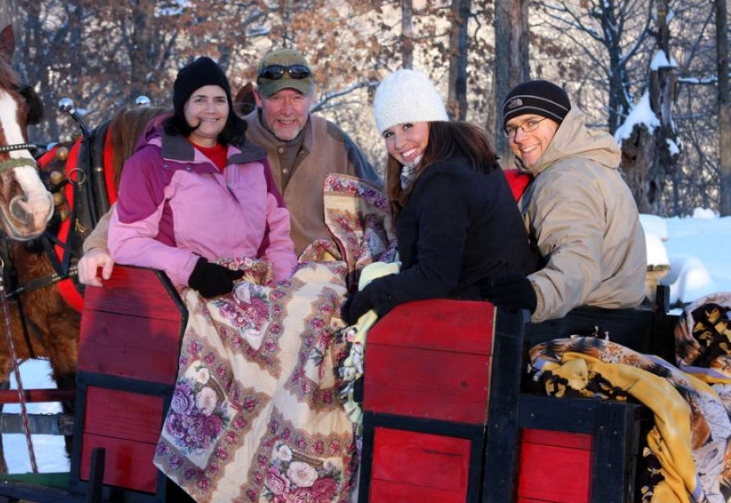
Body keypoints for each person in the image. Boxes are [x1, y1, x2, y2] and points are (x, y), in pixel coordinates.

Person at [79, 47, 379, 286]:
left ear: (312, 97)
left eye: (297, 97)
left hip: (318, 274)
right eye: (276, 98)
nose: (287, 110)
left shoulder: (335, 141)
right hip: (241, 277)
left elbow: (378, 204)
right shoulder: (230, 137)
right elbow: (131, 208)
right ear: (259, 98)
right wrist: (97, 247)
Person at [342, 69, 539, 324]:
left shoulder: (444, 180)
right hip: (497, 307)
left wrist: (368, 297)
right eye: (389, 134)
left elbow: (436, 276)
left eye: (408, 125)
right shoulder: (467, 158)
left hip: (480, 318)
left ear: (431, 119)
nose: (400, 143)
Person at [107, 56, 296, 294]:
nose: (211, 109)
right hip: (187, 292)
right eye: (199, 100)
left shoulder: (252, 161)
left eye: (219, 100)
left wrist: (283, 288)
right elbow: (126, 243)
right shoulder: (152, 163)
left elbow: (278, 238)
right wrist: (193, 270)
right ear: (183, 105)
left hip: (255, 289)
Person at [481, 79, 647, 323]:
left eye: (531, 123)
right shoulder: (589, 166)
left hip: (582, 322)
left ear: (562, 123)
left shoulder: (564, 178)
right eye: (512, 128)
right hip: (611, 315)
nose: (519, 136)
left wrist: (535, 294)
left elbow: (577, 259)